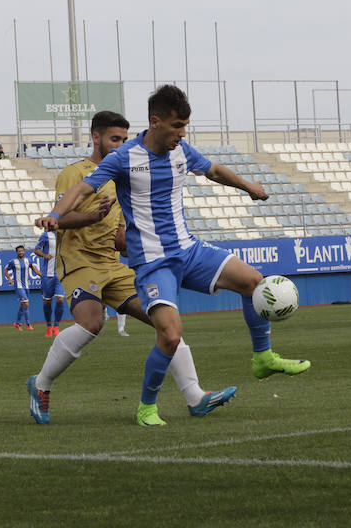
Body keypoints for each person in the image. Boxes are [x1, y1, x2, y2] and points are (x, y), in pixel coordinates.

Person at [36, 85, 310, 427]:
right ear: (155, 122)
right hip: (153, 263)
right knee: (170, 334)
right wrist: (57, 215)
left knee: (254, 282)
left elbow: (212, 169)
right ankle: (147, 407)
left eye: (185, 126)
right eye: (177, 126)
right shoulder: (125, 159)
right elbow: (81, 189)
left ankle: (263, 357)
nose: (182, 133)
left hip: (189, 250)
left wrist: (248, 186)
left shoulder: (182, 151)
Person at [27, 110, 236, 424]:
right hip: (80, 263)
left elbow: (120, 235)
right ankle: (41, 384)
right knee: (92, 323)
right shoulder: (76, 174)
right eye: (114, 138)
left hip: (113, 265)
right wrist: (92, 217)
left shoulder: (123, 174)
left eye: (124, 139)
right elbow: (59, 219)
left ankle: (195, 396)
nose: (121, 144)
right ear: (96, 137)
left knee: (166, 325)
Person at [33, 230, 66, 337]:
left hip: (60, 274)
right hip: (47, 274)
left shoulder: (65, 234)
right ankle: (48, 326)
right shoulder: (46, 235)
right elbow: (36, 250)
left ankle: (56, 326)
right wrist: (45, 255)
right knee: (47, 301)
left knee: (60, 298)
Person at [5, 245, 42, 331]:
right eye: (19, 251)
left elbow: (34, 269)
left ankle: (17, 323)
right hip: (18, 286)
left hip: (26, 286)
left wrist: (42, 276)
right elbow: (5, 271)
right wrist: (10, 279)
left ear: (24, 251)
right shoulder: (13, 262)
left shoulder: (28, 260)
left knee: (23, 305)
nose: (21, 252)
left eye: (22, 251)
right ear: (17, 252)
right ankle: (28, 324)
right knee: (26, 304)